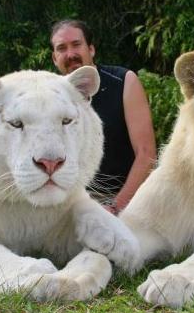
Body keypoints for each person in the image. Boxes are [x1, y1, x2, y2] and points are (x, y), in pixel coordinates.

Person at [50, 19, 157, 214]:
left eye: (76, 45)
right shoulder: (47, 96)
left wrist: (116, 207)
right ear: (55, 59)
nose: (70, 54)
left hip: (121, 198)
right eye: (61, 48)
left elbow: (146, 153)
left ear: (91, 49)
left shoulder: (124, 81)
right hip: (69, 203)